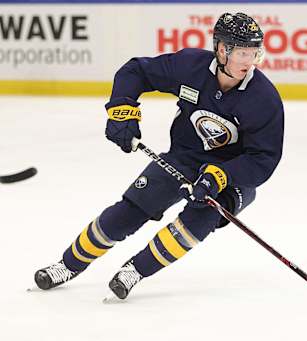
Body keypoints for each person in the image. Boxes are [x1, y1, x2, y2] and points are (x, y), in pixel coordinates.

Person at [34, 12, 284, 300]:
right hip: (184, 157)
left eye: (255, 53)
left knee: (198, 221)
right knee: (129, 210)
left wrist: (221, 175)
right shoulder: (190, 66)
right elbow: (135, 72)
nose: (249, 61)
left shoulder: (264, 98)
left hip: (232, 174)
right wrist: (122, 111)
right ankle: (67, 265)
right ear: (222, 49)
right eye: (242, 53)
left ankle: (135, 271)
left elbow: (263, 158)